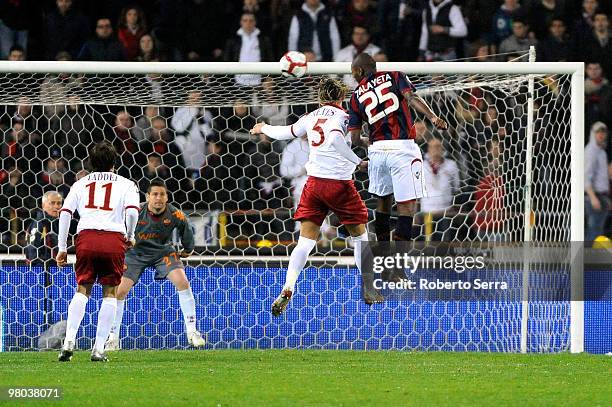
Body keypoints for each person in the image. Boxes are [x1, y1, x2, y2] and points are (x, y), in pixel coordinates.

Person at [250, 77, 383, 310]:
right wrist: (358, 161)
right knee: (360, 238)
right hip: (340, 185)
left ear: (320, 98)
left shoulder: (311, 117)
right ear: (341, 97)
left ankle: (288, 285)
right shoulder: (344, 116)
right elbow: (335, 140)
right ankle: (369, 287)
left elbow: (285, 132)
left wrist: (263, 128)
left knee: (304, 242)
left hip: (313, 185)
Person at [348, 53, 447, 259]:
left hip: (377, 151)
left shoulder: (355, 96)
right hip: (402, 148)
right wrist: (433, 117)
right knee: (407, 206)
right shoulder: (394, 75)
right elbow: (411, 98)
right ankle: (398, 264)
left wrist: (370, 141)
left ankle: (383, 256)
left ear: (359, 71)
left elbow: (355, 139)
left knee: (382, 203)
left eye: (353, 73)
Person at [56, 141, 140, 362]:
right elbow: (132, 212)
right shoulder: (127, 184)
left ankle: (69, 342)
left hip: (86, 238)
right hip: (113, 239)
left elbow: (65, 213)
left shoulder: (80, 183)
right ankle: (98, 348)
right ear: (114, 162)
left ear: (90, 163)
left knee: (82, 289)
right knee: (110, 293)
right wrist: (130, 236)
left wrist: (62, 248)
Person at [105, 179, 205, 350]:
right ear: (148, 197)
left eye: (162, 194)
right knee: (119, 290)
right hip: (135, 254)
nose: (158, 198)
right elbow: (116, 228)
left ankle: (192, 332)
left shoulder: (175, 214)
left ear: (167, 197)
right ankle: (113, 338)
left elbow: (186, 231)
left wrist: (188, 249)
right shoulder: (135, 211)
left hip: (162, 253)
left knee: (183, 282)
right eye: (155, 194)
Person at [223, 12, 275, 86]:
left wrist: (268, 77)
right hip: (238, 82)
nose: (248, 23)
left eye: (251, 20)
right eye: (245, 20)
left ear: (255, 22)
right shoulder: (233, 40)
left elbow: (270, 59)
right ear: (241, 22)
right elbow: (227, 60)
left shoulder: (264, 40)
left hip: (259, 82)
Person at [585, 122, 610, 242]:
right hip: (593, 197)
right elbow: (585, 176)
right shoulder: (591, 152)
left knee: (597, 231)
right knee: (593, 232)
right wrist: (593, 197)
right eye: (598, 132)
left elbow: (602, 177)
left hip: (601, 196)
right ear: (593, 134)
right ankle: (588, 260)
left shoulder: (601, 152)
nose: (601, 134)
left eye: (603, 132)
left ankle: (591, 259)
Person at [25, 191, 63, 266]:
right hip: (43, 271)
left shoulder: (53, 222)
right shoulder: (40, 223)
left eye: (59, 203)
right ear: (43, 205)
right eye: (52, 203)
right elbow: (33, 253)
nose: (56, 206)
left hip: (52, 269)